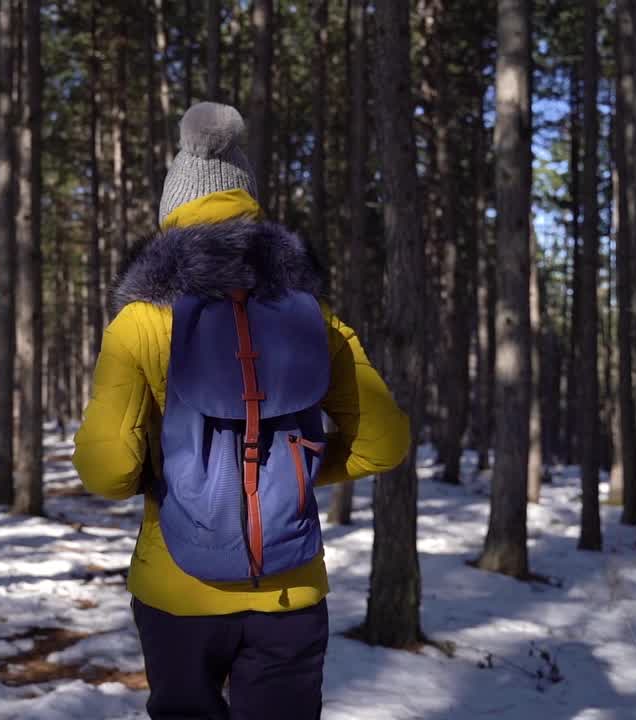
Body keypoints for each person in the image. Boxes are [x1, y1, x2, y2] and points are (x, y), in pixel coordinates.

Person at [73, 101, 410, 720]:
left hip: (176, 589)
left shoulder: (142, 322)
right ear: (253, 210)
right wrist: (300, 467)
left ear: (170, 215)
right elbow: (383, 443)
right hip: (290, 588)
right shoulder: (315, 317)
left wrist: (168, 467)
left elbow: (107, 472)